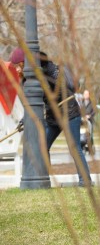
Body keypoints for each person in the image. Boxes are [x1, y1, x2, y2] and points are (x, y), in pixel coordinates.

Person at [11, 49, 92, 187]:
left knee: (74, 148)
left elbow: (62, 90)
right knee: (43, 146)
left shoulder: (48, 69)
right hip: (53, 117)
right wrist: (25, 120)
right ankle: (44, 179)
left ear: (25, 63)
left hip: (69, 112)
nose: (17, 70)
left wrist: (43, 79)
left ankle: (85, 181)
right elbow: (32, 104)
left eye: (18, 66)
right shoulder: (27, 80)